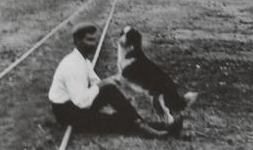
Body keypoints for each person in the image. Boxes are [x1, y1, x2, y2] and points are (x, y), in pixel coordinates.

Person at [48, 22, 180, 138]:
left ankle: (148, 125)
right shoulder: (72, 65)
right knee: (115, 121)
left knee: (110, 91)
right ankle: (147, 128)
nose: (93, 44)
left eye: (94, 40)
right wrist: (103, 85)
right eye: (89, 40)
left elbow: (96, 83)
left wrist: (112, 90)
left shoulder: (82, 60)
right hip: (68, 113)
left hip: (75, 106)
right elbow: (80, 102)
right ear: (77, 41)